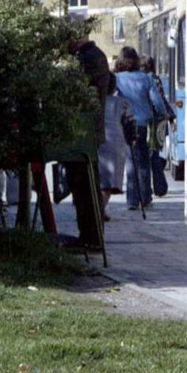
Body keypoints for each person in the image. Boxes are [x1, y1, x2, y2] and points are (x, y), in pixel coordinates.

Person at [68, 33, 112, 246]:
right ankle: (88, 236)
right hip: (86, 131)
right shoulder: (92, 56)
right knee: (81, 187)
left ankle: (91, 237)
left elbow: (72, 85)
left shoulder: (90, 58)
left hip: (86, 132)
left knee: (86, 188)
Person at [114, 46, 168, 211]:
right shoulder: (146, 78)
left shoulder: (117, 78)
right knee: (144, 161)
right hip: (144, 124)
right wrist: (163, 114)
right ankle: (145, 198)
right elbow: (157, 102)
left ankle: (132, 200)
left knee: (131, 161)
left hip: (126, 123)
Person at [97, 73, 135, 221]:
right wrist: (132, 139)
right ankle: (100, 209)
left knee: (97, 179)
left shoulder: (94, 102)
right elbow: (129, 123)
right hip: (115, 144)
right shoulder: (122, 103)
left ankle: (98, 209)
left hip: (96, 142)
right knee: (108, 182)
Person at [142, 56, 174, 196]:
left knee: (145, 156)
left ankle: (147, 188)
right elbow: (160, 100)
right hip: (155, 121)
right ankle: (159, 187)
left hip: (144, 121)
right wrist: (169, 117)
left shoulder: (141, 79)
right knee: (154, 154)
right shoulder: (154, 79)